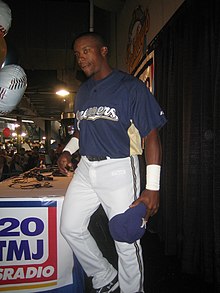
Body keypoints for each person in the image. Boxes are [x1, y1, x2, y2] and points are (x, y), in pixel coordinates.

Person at [58, 32, 167, 293]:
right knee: (70, 227)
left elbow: (151, 135)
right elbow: (81, 131)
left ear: (103, 50)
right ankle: (105, 275)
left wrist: (152, 188)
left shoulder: (130, 87)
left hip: (118, 168)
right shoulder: (83, 92)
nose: (80, 57)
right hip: (86, 168)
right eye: (77, 53)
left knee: (126, 240)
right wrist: (67, 151)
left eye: (86, 50)